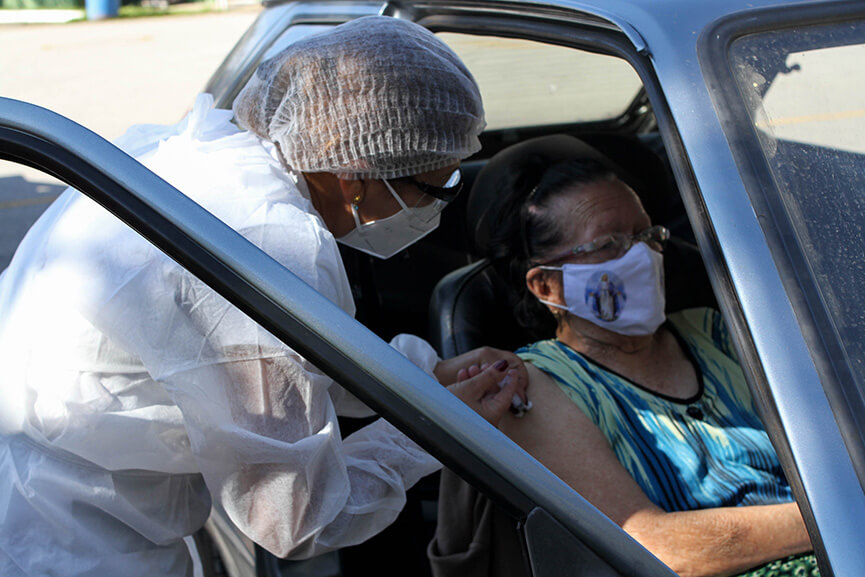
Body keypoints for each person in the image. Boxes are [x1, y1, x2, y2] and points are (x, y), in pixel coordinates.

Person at [0, 16, 527, 577]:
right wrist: (433, 431)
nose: (434, 209)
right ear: (355, 173)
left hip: (67, 488)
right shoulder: (264, 242)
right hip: (60, 537)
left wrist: (423, 381)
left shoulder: (211, 155)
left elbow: (300, 356)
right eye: (431, 188)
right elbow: (294, 517)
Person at [429, 151, 818, 577]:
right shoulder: (535, 385)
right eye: (609, 244)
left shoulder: (716, 330)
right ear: (548, 284)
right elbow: (654, 547)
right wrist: (827, 520)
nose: (643, 255)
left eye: (647, 234)